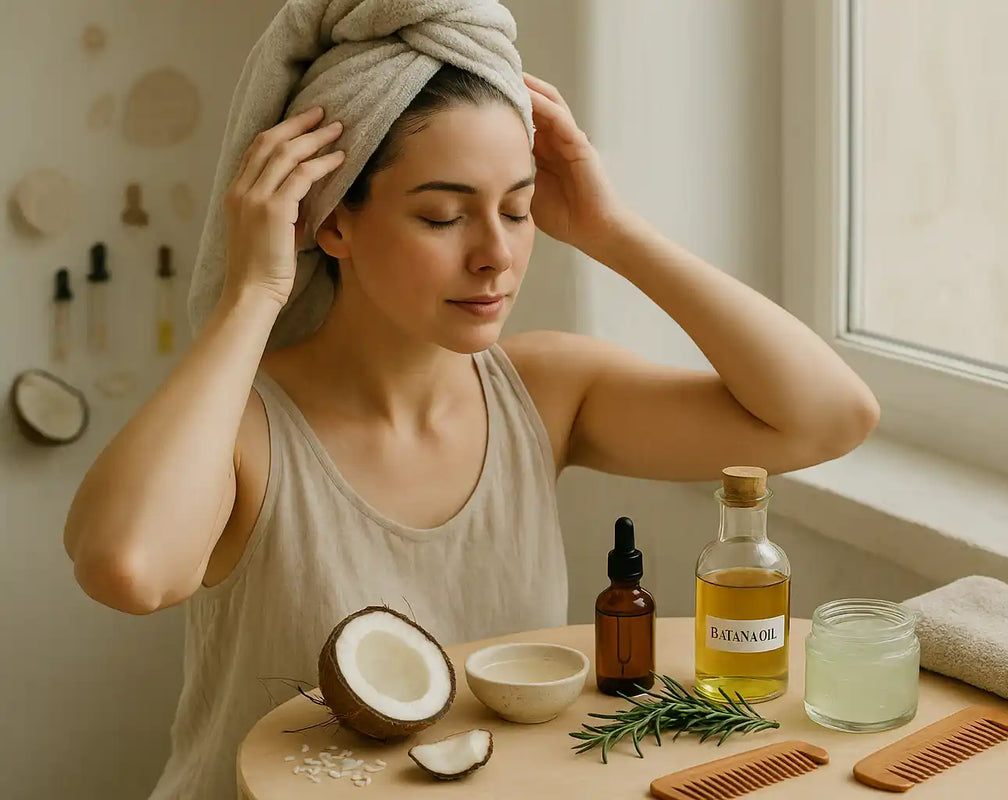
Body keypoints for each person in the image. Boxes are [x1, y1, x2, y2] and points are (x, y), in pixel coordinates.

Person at [63, 34, 878, 800]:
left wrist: (611, 230)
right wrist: (253, 292)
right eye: (443, 216)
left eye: (518, 210)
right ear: (334, 219)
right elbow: (129, 569)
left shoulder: (547, 390)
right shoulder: (242, 428)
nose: (495, 253)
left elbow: (828, 419)